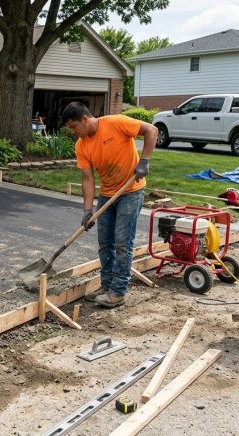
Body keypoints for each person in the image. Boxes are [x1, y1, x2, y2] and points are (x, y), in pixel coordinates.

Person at [61, 102, 157, 308]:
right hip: (108, 194)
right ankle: (106, 285)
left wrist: (145, 160)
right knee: (105, 242)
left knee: (123, 242)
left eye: (73, 127)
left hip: (131, 191)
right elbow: (87, 178)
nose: (73, 132)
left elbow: (151, 129)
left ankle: (118, 291)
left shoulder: (116, 123)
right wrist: (87, 209)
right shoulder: (82, 145)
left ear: (85, 119)